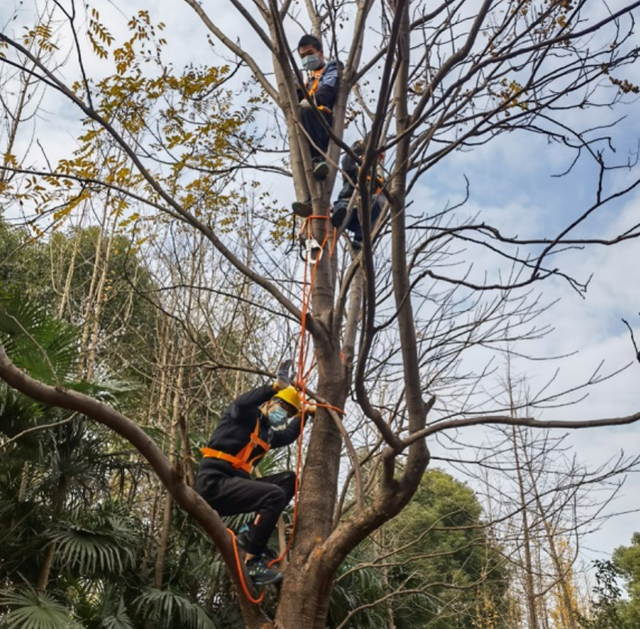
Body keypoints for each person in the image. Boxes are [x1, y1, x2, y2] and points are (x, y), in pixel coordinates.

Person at [195, 360, 310, 586]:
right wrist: (275, 387)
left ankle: (249, 534)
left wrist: (304, 415)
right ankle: (252, 562)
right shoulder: (243, 416)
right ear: (269, 402)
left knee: (289, 480)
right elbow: (242, 402)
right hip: (214, 482)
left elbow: (287, 436)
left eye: (288, 412)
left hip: (233, 485)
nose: (283, 414)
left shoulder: (267, 434)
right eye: (282, 407)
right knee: (274, 495)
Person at [291, 34, 340, 217]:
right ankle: (310, 202)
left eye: (310, 53)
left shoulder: (331, 67)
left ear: (321, 52)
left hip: (322, 119)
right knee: (302, 157)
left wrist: (313, 100)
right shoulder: (309, 79)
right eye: (302, 56)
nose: (306, 59)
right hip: (309, 125)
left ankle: (318, 160)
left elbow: (329, 88)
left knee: (307, 111)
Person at [330, 138, 385, 249]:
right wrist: (360, 146)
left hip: (362, 216)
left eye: (377, 158)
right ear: (363, 157)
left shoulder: (380, 181)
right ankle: (338, 220)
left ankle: (360, 238)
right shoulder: (355, 170)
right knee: (344, 208)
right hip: (347, 203)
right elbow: (346, 162)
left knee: (377, 200)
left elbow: (382, 201)